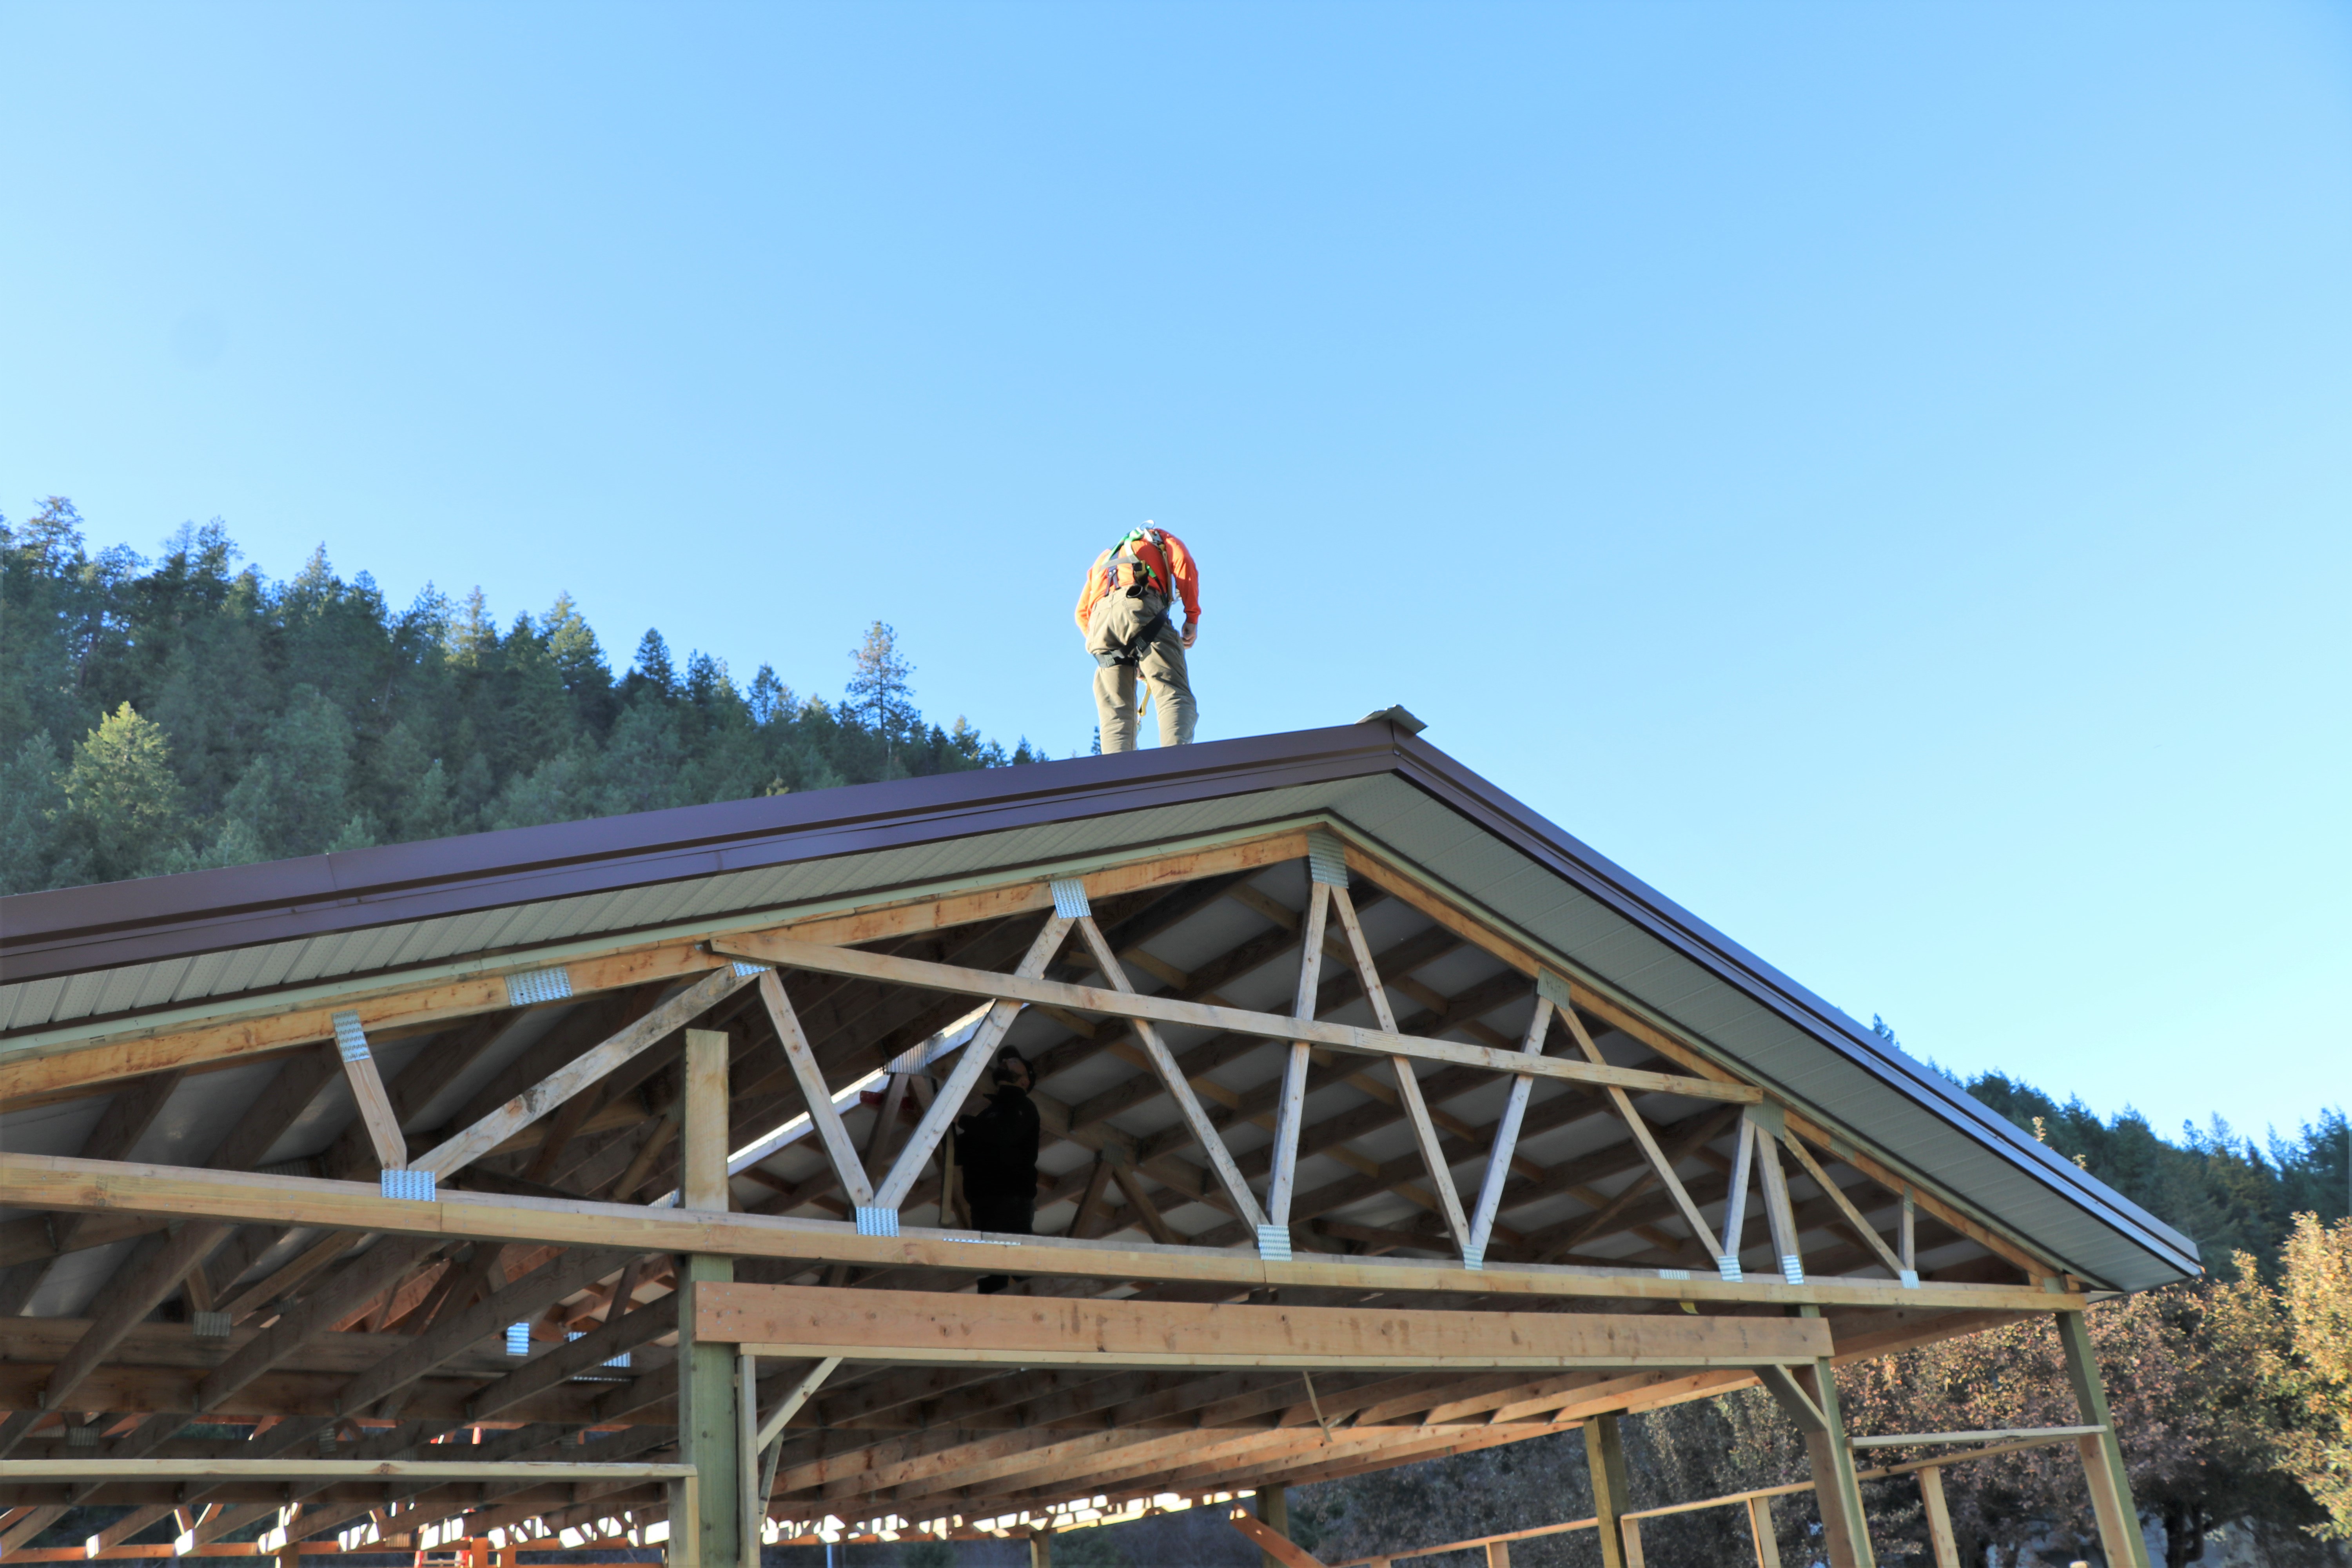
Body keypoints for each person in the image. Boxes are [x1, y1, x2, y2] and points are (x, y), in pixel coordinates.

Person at [1074, 523, 1200, 752]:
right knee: (1172, 692)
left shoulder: (1104, 559)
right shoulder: (1160, 539)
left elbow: (1082, 614)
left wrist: (1104, 642)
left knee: (1116, 714)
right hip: (1139, 604)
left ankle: (1118, 774)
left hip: (1100, 624)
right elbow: (1183, 562)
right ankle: (1176, 764)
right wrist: (1192, 616)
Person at [954, 1046, 1040, 1293]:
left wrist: (963, 1121)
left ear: (1025, 1081)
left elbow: (1003, 1135)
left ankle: (1042, 1306)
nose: (1006, 1063)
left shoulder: (1024, 1107)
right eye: (1004, 1061)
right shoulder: (988, 1114)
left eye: (1014, 1061)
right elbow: (960, 1154)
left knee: (1019, 1265)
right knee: (990, 1277)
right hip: (982, 1202)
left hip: (1012, 1199)